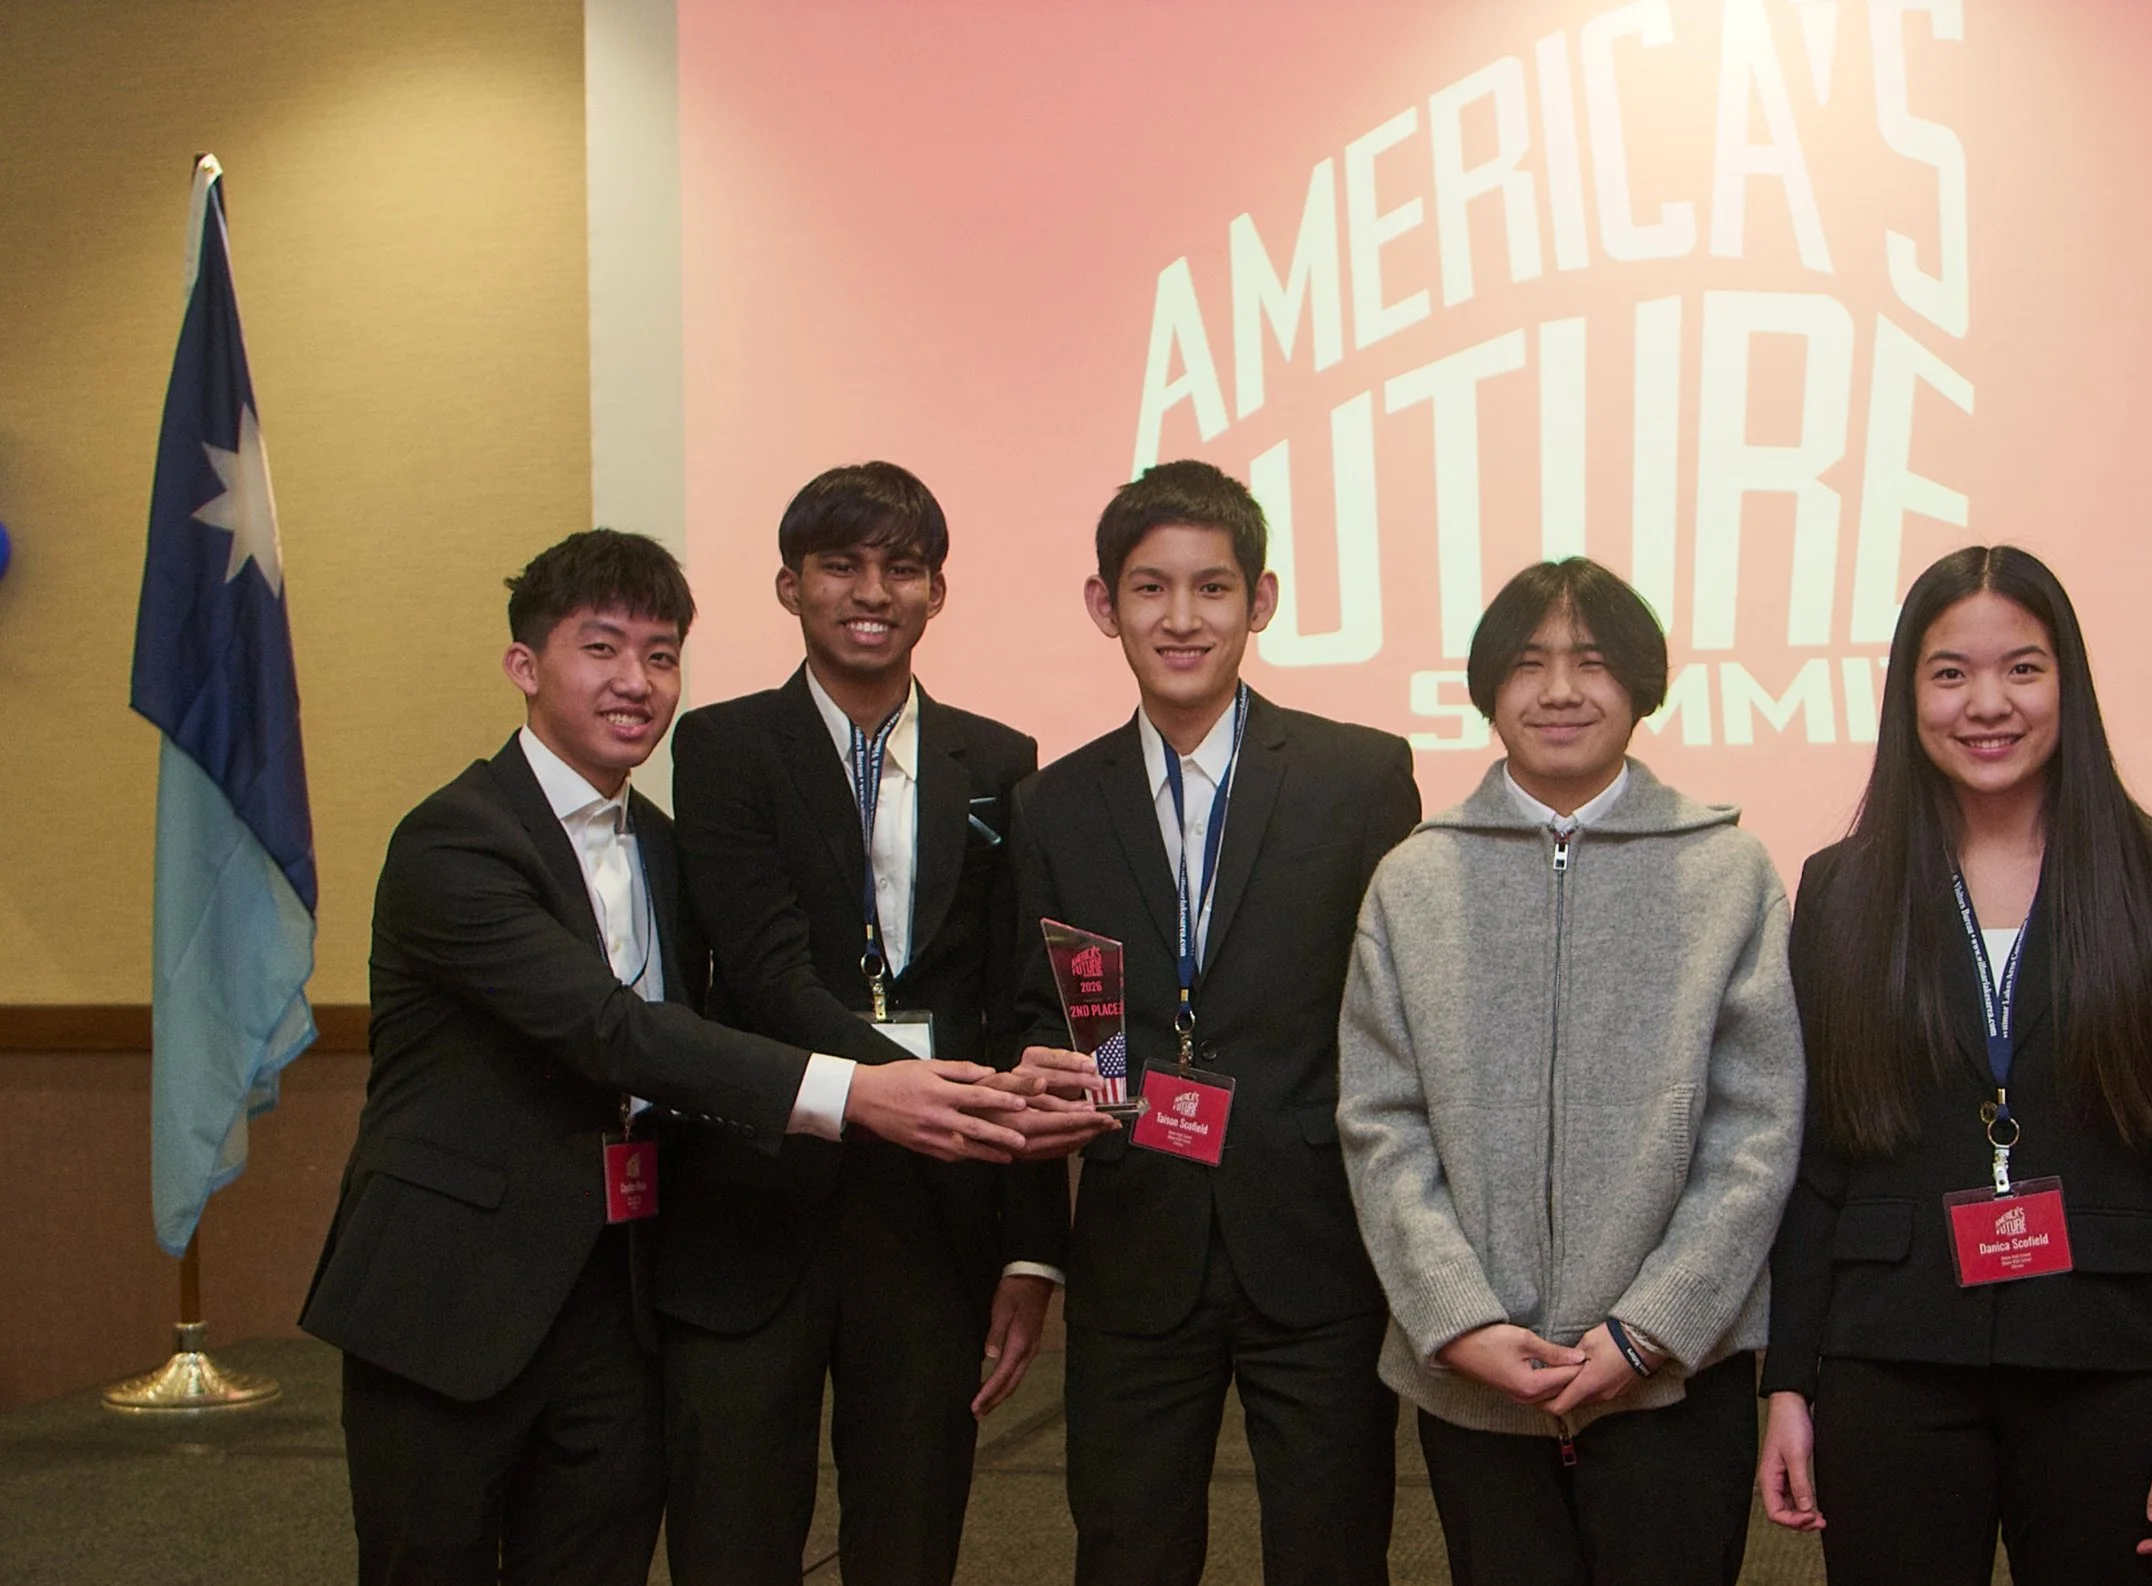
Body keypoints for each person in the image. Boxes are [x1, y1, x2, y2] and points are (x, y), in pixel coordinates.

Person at [301, 529, 1039, 1585]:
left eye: (660, 656)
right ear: (524, 666)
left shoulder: (661, 841)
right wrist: (857, 1090)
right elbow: (612, 1029)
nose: (635, 683)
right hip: (454, 1293)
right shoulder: (456, 841)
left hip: (619, 1294)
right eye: (601, 648)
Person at [1757, 545, 2152, 1584]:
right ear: (1908, 695)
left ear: (2068, 681)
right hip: (1889, 1349)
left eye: (2022, 668)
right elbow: (1812, 1156)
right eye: (1950, 673)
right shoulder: (1843, 889)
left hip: (2104, 1354)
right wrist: (1789, 1380)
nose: (1987, 703)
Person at [655, 463, 1112, 1585]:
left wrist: (1030, 1248)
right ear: (789, 586)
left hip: (931, 1219)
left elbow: (1011, 1004)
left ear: (937, 592)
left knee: (909, 1540)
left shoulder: (996, 762)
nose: (872, 592)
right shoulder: (722, 748)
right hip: (753, 1203)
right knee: (732, 1539)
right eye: (840, 565)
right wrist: (916, 1087)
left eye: (901, 568)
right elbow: (763, 975)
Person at [1336, 557, 1806, 1586]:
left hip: (1675, 1378)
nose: (1558, 690)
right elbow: (1381, 1123)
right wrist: (1458, 1319)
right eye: (1527, 663)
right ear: (1486, 688)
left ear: (1640, 684)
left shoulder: (1727, 872)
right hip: (1477, 1380)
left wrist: (1650, 1328)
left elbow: (1756, 1129)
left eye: (1591, 662)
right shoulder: (1414, 878)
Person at [1008, 460, 1421, 1586]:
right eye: (1150, 588)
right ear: (1105, 605)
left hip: (1318, 1243)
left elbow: (1401, 1012)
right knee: (1126, 1549)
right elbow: (1051, 1007)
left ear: (1261, 600)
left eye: (1212, 587)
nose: (1181, 618)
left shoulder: (1358, 777)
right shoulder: (1053, 805)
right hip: (1136, 1240)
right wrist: (1047, 1080)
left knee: (1333, 1553)